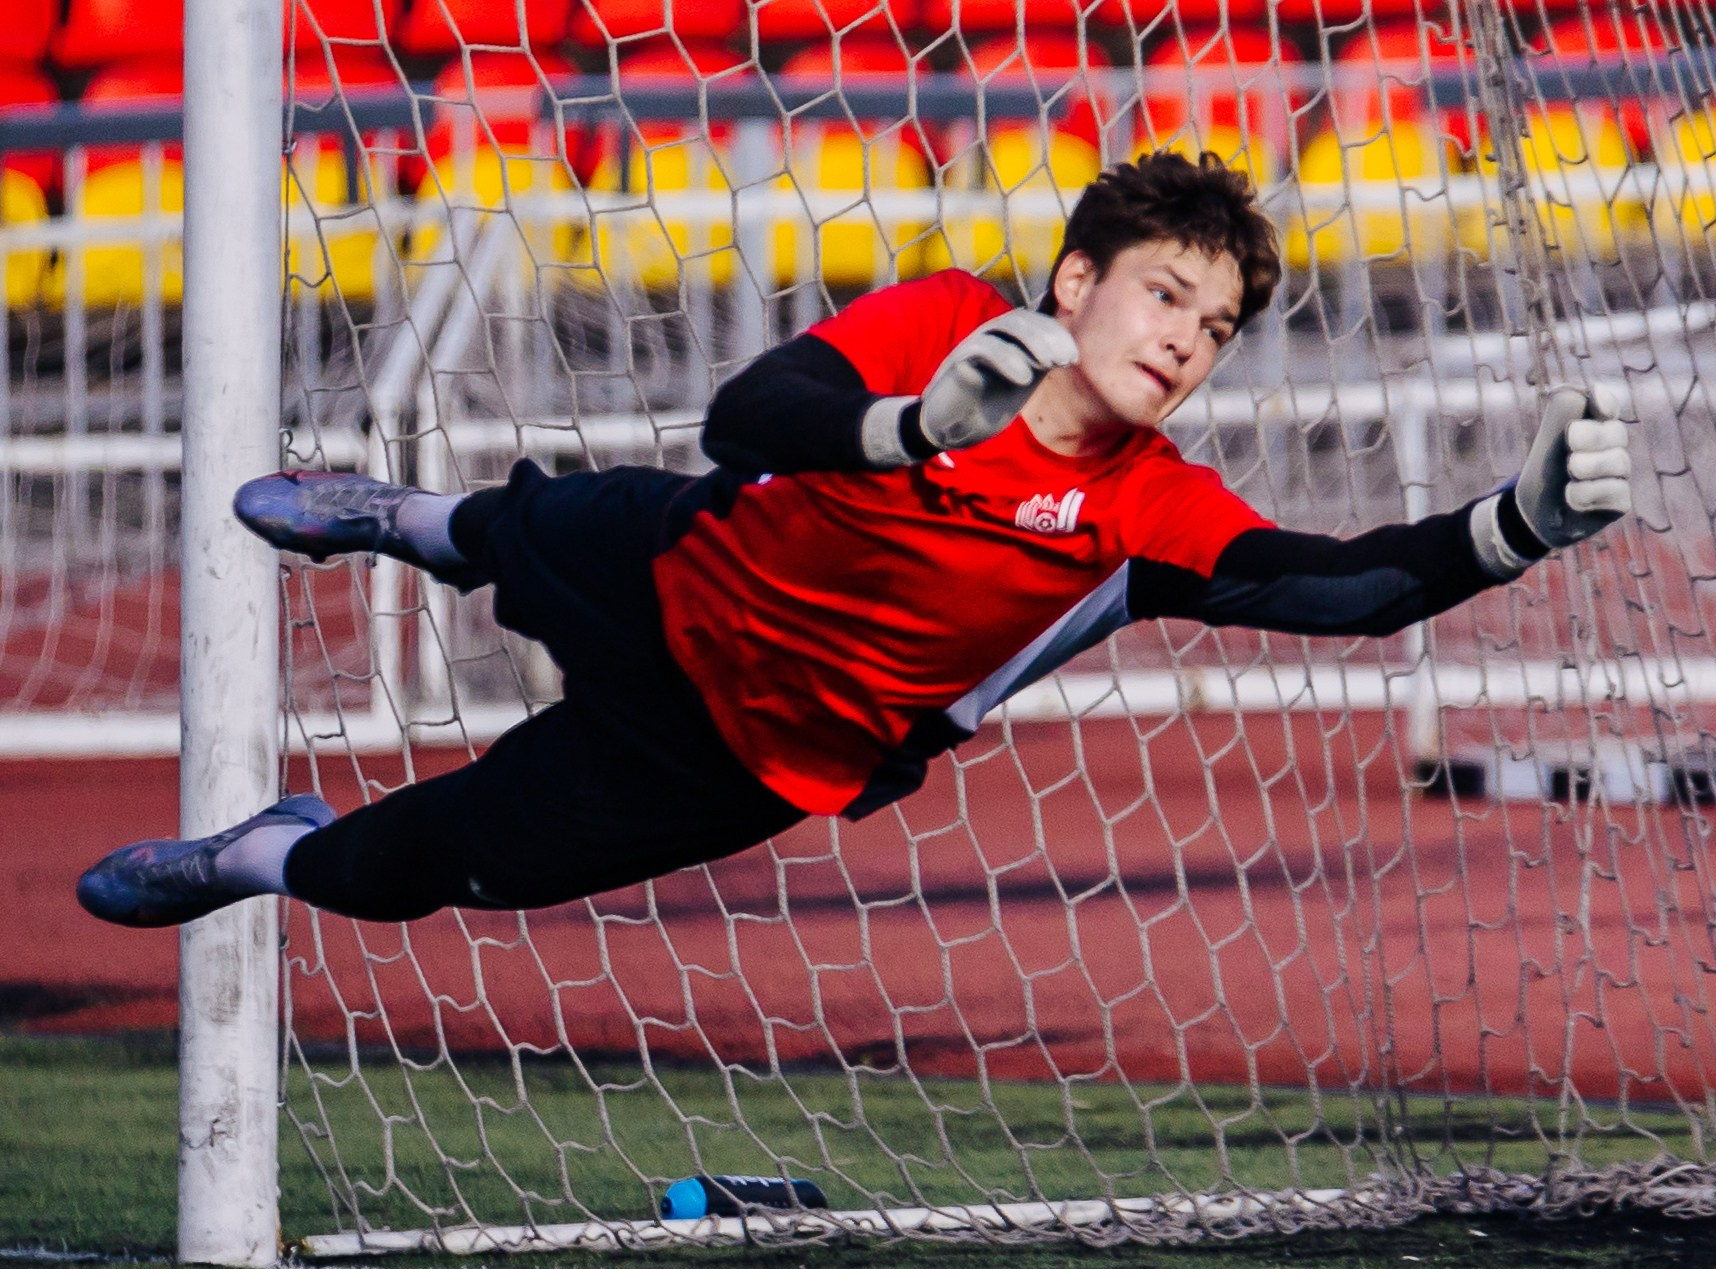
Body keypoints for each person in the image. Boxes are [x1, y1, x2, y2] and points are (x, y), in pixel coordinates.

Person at [78, 152, 1635, 928]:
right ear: (1077, 279)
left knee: (408, 871)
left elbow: (1335, 585)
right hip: (678, 568)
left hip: (741, 754)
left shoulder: (1144, 510)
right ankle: (393, 517)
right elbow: (755, 413)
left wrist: (1510, 530)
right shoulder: (954, 320)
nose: (1184, 339)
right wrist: (910, 427)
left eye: (1215, 326)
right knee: (522, 520)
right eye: (1165, 294)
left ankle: (257, 854)